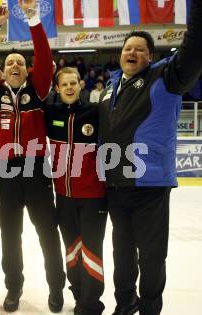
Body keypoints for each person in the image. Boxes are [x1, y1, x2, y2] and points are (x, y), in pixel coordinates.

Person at [97, 1, 202, 314]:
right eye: (128, 48)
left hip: (149, 188)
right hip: (116, 188)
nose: (132, 53)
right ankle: (125, 305)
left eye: (140, 49)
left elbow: (195, 47)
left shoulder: (166, 79)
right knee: (123, 256)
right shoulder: (110, 87)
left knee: (152, 257)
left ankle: (150, 309)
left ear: (151, 56)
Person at [0, 1, 66, 312]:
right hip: (4, 173)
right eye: (10, 62)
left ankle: (57, 287)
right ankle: (13, 288)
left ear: (28, 70)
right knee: (11, 235)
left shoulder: (38, 90)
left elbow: (44, 55)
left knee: (46, 232)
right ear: (2, 71)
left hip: (36, 170)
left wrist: (33, 19)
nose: (15, 65)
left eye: (21, 62)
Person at [46, 67, 107, 315]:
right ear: (58, 89)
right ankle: (78, 293)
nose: (70, 87)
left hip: (94, 198)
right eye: (65, 84)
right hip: (64, 197)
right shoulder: (51, 114)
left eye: (74, 83)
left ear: (81, 85)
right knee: (71, 250)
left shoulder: (95, 113)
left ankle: (91, 305)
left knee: (92, 251)